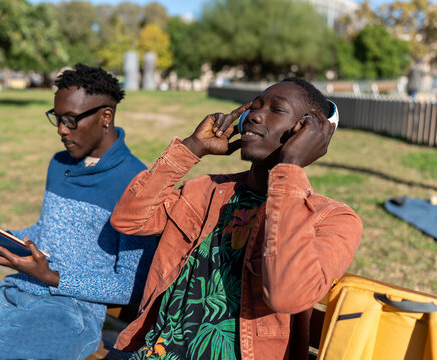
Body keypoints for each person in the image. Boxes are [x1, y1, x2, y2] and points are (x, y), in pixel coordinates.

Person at [0, 63, 156, 360]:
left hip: (68, 315)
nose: (61, 130)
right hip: (10, 295)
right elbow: (45, 233)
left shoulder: (138, 184)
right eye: (57, 119)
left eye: (71, 120)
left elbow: (131, 287)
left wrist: (53, 277)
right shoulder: (60, 164)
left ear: (105, 117)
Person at [110, 77, 363, 359]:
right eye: (253, 108)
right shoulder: (205, 191)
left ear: (306, 131)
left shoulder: (333, 219)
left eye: (276, 110)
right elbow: (130, 220)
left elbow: (286, 295)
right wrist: (192, 147)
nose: (253, 116)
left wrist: (291, 166)